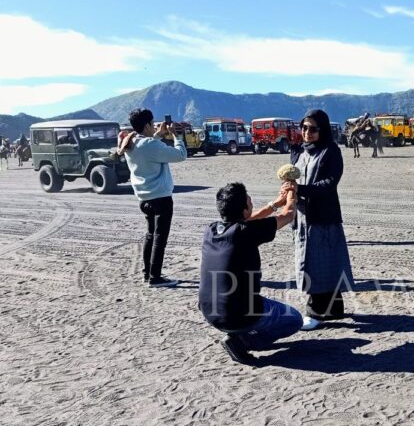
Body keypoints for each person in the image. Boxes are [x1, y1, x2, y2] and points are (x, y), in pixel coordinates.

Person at [199, 182, 301, 364]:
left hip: (209, 310)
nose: (251, 202)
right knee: (294, 319)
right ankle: (242, 341)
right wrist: (292, 192)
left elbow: (248, 220)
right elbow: (288, 215)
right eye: (249, 200)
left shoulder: (211, 230)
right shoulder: (246, 232)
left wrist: (275, 203)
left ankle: (240, 334)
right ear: (244, 208)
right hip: (238, 314)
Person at [283, 109, 354, 330]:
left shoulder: (331, 151)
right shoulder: (299, 153)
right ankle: (334, 309)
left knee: (317, 264)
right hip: (303, 217)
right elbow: (294, 178)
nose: (307, 133)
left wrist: (300, 188)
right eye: (304, 128)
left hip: (323, 217)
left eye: (313, 129)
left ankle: (315, 312)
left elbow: (329, 183)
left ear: (322, 130)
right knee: (321, 263)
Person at [123, 108, 187, 287]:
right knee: (160, 238)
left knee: (151, 236)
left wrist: (157, 134)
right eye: (152, 123)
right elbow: (180, 155)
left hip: (144, 198)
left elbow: (147, 148)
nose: (154, 125)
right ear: (146, 125)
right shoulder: (151, 145)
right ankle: (155, 277)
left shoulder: (131, 142)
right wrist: (176, 137)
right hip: (161, 197)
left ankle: (148, 273)